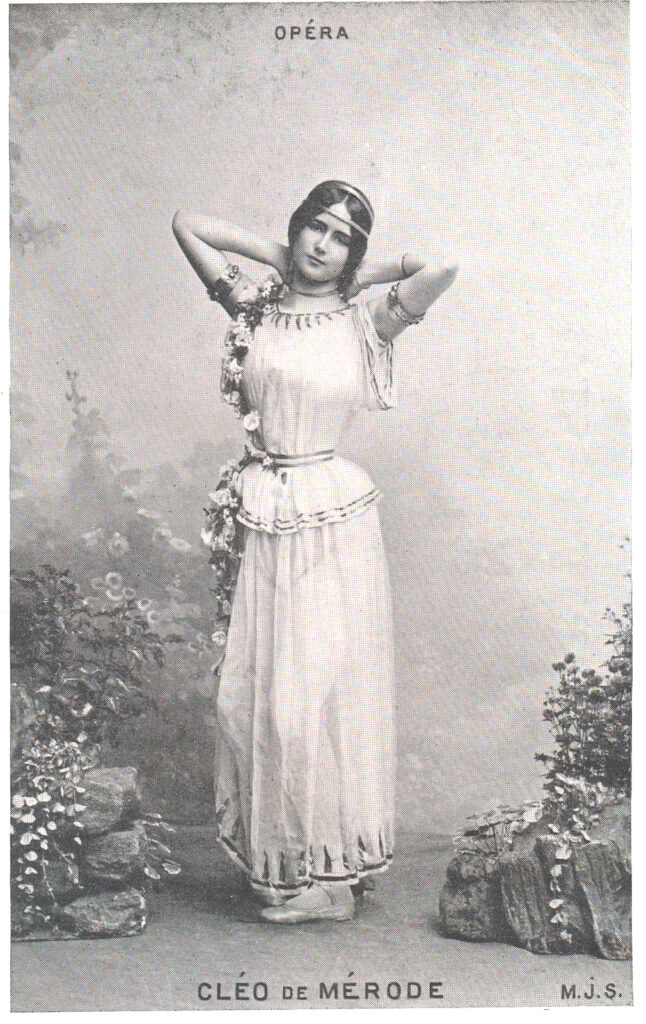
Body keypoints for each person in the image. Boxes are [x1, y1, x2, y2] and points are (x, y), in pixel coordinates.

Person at [172, 181, 457, 923]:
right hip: (264, 511)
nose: (322, 244)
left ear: (355, 253)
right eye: (314, 228)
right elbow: (190, 221)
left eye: (341, 237)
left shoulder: (365, 322)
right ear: (294, 229)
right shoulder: (254, 309)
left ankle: (328, 877)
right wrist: (280, 258)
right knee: (251, 698)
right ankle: (291, 866)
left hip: (329, 519)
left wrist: (357, 275)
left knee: (314, 698)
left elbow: (442, 266)